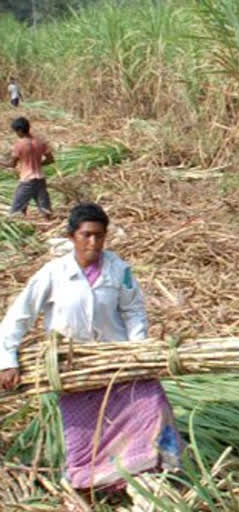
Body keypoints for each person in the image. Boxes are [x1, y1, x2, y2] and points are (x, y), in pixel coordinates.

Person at [0, 203, 183, 495]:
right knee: (83, 435)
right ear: (72, 236)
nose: (93, 243)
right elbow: (20, 315)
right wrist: (7, 359)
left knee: (152, 406)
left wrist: (138, 350)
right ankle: (92, 483)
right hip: (73, 368)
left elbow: (133, 310)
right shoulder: (54, 273)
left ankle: (149, 474)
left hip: (117, 362)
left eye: (99, 236)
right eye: (86, 235)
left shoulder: (119, 270)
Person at [5, 116, 54, 220]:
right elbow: (50, 159)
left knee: (15, 211)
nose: (16, 134)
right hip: (40, 179)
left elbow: (12, 164)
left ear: (20, 130)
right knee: (45, 210)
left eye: (16, 131)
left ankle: (21, 229)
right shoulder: (40, 142)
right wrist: (37, 163)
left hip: (27, 181)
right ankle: (48, 226)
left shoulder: (19, 144)